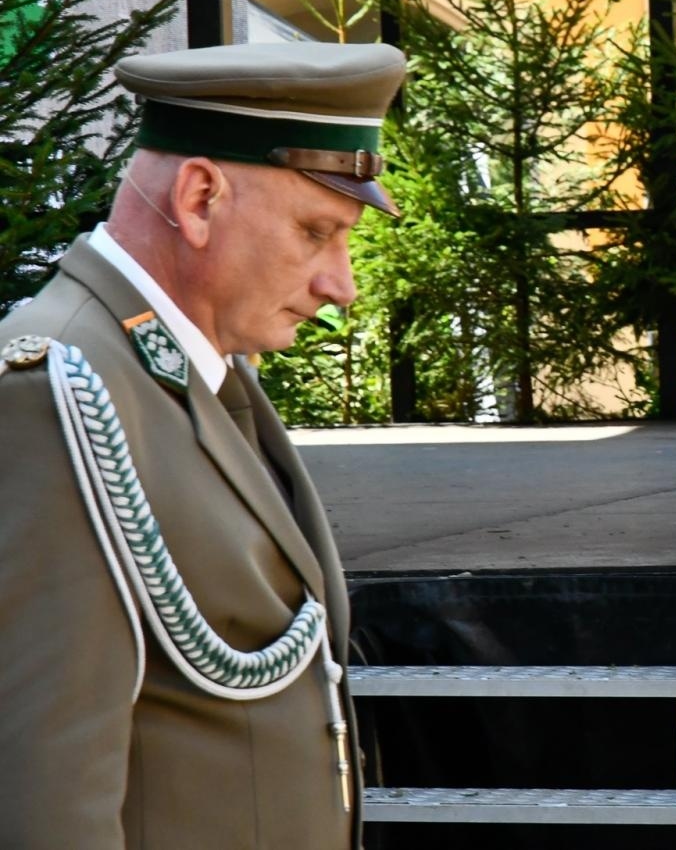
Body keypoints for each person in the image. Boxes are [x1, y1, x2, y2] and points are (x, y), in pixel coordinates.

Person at [0, 42, 405, 848]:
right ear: (198, 198)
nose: (342, 285)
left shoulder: (183, 370)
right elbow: (45, 787)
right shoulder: (56, 391)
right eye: (316, 231)